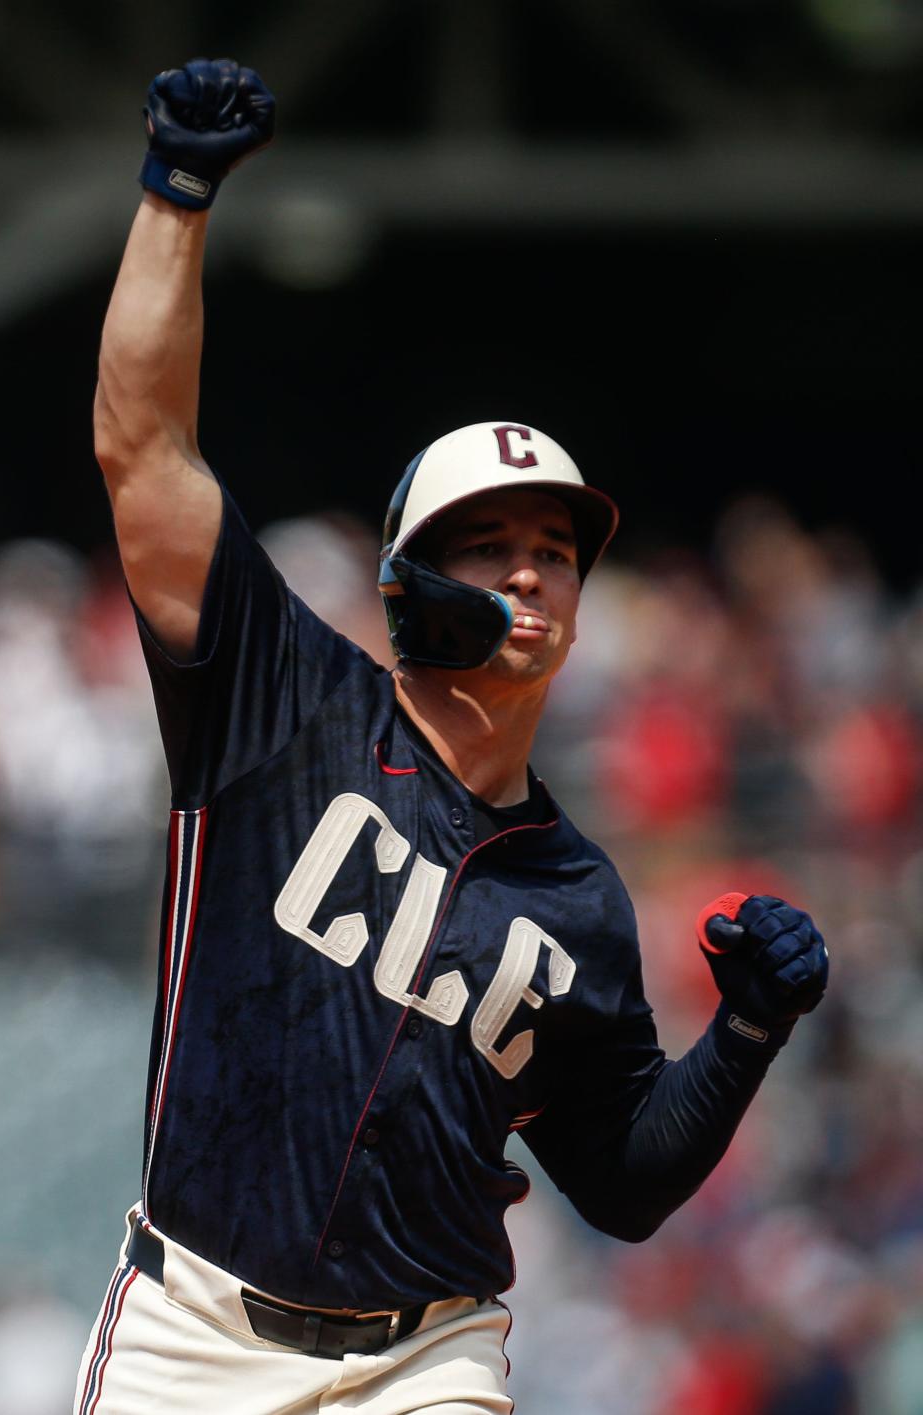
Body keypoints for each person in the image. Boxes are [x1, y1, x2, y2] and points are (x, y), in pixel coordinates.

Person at [75, 58, 829, 1415]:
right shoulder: (280, 698)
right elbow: (146, 453)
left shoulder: (576, 894)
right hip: (187, 1335)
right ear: (408, 584)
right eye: (485, 548)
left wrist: (751, 1032)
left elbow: (627, 1182)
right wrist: (175, 200)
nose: (531, 573)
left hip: (429, 1358)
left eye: (555, 550)